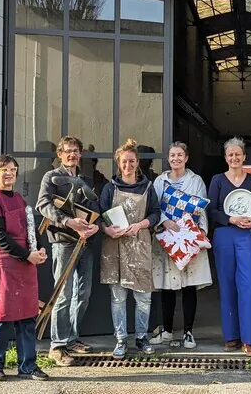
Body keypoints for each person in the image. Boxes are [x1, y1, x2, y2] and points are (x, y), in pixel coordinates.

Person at [0, 155, 49, 382]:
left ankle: (28, 365)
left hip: (25, 266)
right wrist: (27, 255)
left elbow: (31, 229)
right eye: (5, 170)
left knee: (27, 318)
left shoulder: (20, 200)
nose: (9, 174)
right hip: (2, 265)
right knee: (0, 316)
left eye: (13, 169)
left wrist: (40, 249)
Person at [36, 136, 100, 366]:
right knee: (64, 294)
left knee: (82, 294)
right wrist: (67, 222)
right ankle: (57, 345)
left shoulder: (85, 179)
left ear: (80, 154)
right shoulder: (51, 177)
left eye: (76, 151)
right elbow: (42, 205)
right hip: (63, 242)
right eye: (68, 151)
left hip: (85, 243)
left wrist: (94, 226)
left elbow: (95, 209)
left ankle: (72, 338)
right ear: (60, 154)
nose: (72, 155)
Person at [99, 138, 161, 359]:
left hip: (139, 244)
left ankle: (142, 338)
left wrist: (141, 225)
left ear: (138, 163)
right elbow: (100, 216)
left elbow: (155, 213)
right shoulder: (109, 188)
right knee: (118, 298)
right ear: (119, 163)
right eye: (124, 161)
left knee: (143, 297)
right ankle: (121, 339)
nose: (128, 165)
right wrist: (107, 230)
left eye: (132, 161)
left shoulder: (148, 187)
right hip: (114, 247)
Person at [151, 141, 213, 349]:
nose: (176, 159)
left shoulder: (196, 181)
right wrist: (163, 221)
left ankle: (188, 332)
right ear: (168, 158)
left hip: (188, 238)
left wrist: (201, 232)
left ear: (186, 158)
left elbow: (201, 207)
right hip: (167, 238)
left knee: (189, 286)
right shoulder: (159, 181)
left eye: (180, 155)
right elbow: (153, 206)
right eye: (172, 155)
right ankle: (167, 331)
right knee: (167, 286)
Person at [208, 137, 251, 356]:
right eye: (230, 154)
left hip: (246, 235)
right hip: (224, 235)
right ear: (225, 157)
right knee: (227, 284)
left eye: (238, 154)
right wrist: (231, 219)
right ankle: (231, 336)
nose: (234, 157)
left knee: (249, 285)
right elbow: (211, 210)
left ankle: (249, 340)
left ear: (244, 156)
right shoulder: (218, 180)